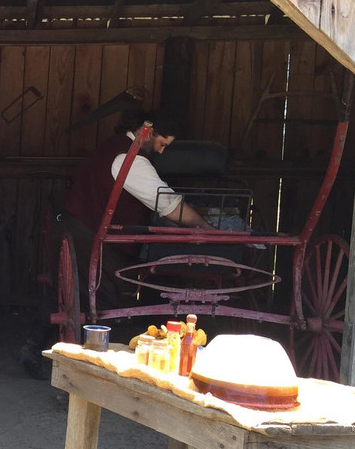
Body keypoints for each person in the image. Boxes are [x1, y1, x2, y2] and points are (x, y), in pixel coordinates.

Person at [19, 113, 214, 378]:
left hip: (80, 225)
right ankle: (85, 371)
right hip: (89, 233)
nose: (161, 150)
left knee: (67, 291)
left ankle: (37, 349)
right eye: (162, 143)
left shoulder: (116, 147)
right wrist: (203, 225)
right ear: (148, 132)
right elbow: (169, 206)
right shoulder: (129, 158)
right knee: (99, 299)